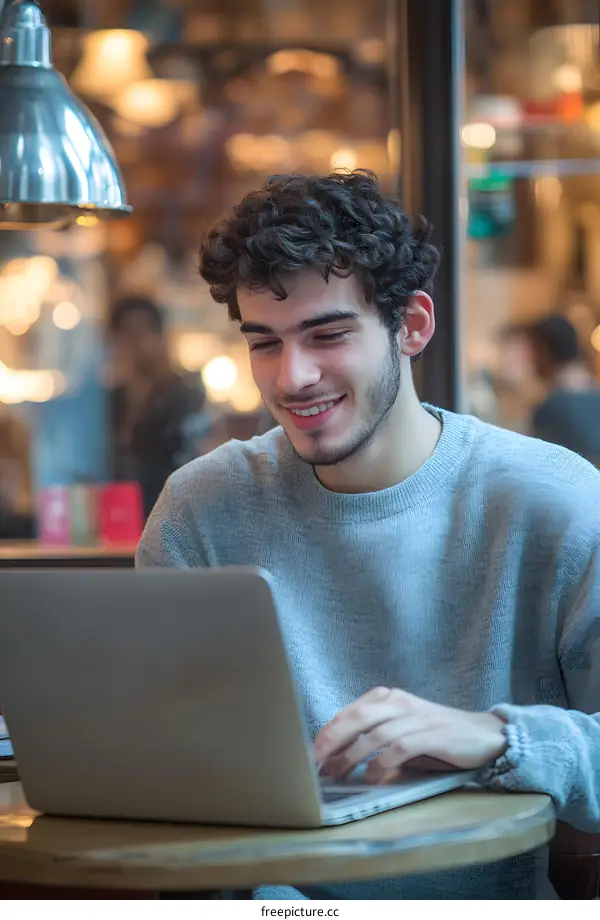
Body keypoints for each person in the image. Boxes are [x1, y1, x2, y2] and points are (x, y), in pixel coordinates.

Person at [136, 171, 600, 900]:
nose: (293, 377)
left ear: (412, 326)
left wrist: (495, 738)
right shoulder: (201, 509)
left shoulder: (555, 502)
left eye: (328, 334)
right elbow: (154, 757)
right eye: (265, 343)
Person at [108, 294, 212, 519]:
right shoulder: (112, 401)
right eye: (125, 334)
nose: (136, 344)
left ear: (160, 335)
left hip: (174, 515)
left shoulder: (184, 395)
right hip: (122, 519)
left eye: (143, 332)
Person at [524, 314, 600, 466]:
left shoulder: (552, 407)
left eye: (531, 350)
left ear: (543, 349)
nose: (530, 360)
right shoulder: (593, 394)